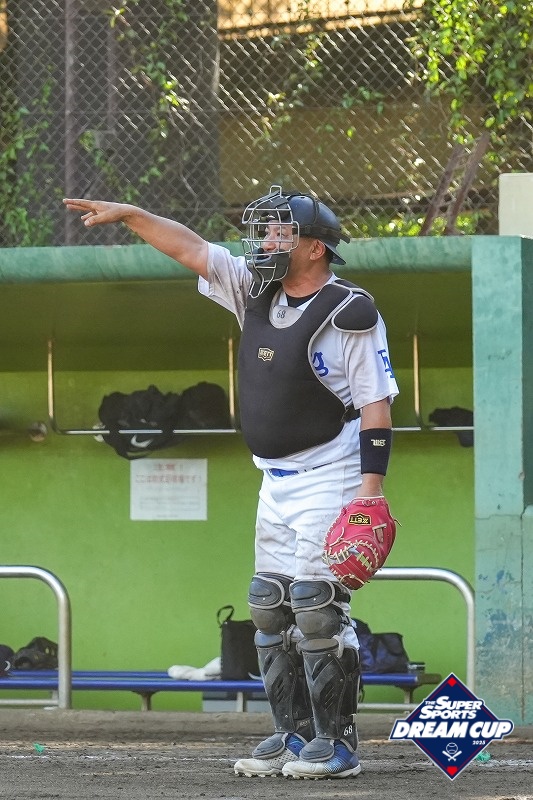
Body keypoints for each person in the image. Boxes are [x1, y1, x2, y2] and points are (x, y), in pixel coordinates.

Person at [63, 186, 399, 780]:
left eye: (281, 232)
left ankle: (337, 744)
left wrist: (371, 492)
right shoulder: (254, 288)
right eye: (265, 231)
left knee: (316, 608)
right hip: (274, 478)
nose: (266, 241)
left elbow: (376, 405)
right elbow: (192, 250)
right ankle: (293, 735)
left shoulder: (349, 310)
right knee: (268, 606)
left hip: (332, 472)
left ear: (315, 248)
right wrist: (133, 215)